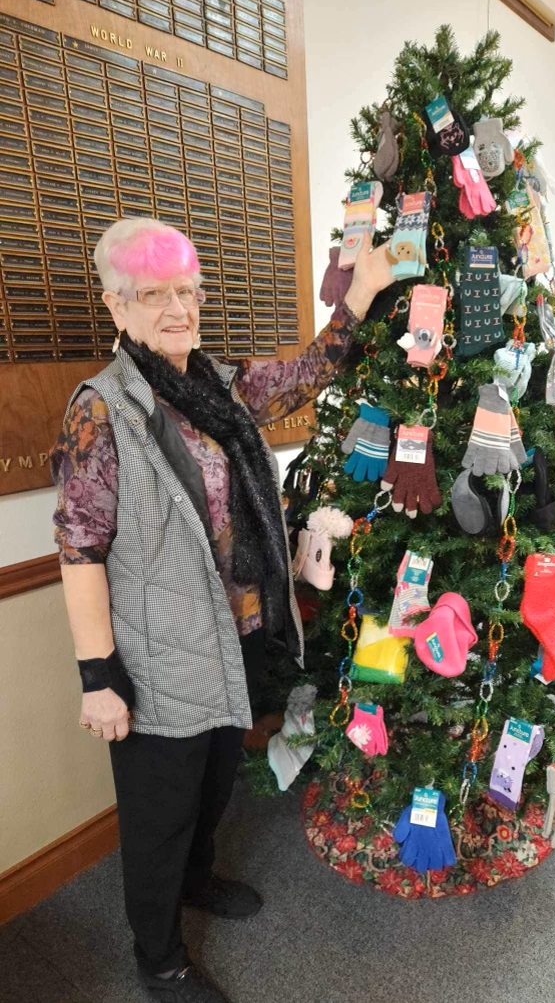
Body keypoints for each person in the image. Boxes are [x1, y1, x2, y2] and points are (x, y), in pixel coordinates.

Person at [51, 216, 393, 1003]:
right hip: (156, 653)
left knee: (212, 786)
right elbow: (79, 552)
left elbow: (311, 372)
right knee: (158, 811)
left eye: (186, 291)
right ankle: (159, 957)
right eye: (154, 294)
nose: (177, 309)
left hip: (233, 635)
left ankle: (196, 880)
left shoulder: (220, 385)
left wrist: (363, 293)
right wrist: (98, 677)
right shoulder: (101, 410)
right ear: (117, 306)